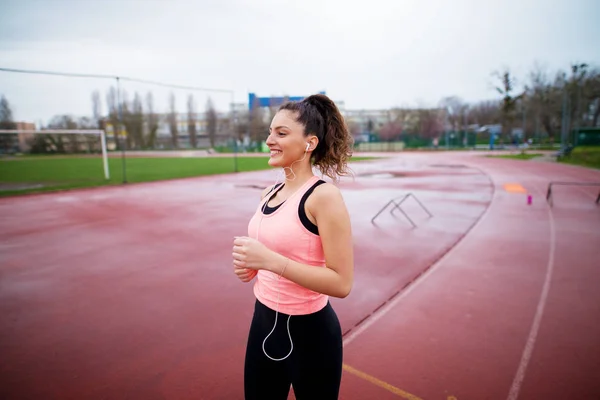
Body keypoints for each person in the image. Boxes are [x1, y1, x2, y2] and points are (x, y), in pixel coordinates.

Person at [232, 93, 355, 400]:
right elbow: (276, 251)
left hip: (311, 336)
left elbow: (341, 283)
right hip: (262, 322)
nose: (269, 140)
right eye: (270, 132)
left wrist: (271, 261)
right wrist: (251, 264)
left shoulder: (323, 197)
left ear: (309, 143)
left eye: (281, 133)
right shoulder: (269, 192)